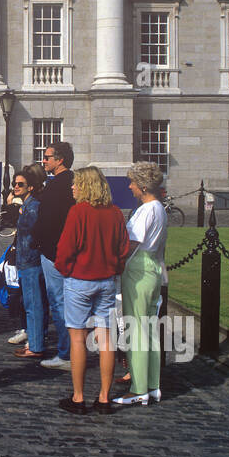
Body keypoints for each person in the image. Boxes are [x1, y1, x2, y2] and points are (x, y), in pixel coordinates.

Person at [55, 166, 133, 415]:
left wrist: (65, 269)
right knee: (106, 338)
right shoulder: (116, 213)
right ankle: (104, 397)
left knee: (78, 338)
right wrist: (115, 268)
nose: (72, 187)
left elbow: (66, 248)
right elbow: (123, 248)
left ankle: (78, 397)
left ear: (86, 186)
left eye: (76, 183)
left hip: (79, 279)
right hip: (106, 280)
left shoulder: (78, 211)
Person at [115, 162, 168, 407]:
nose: (130, 186)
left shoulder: (146, 210)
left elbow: (131, 244)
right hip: (153, 268)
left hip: (139, 269)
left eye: (133, 183)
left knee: (136, 329)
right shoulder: (159, 208)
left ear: (144, 186)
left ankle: (138, 388)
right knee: (149, 330)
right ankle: (152, 384)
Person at [31, 142, 75, 368]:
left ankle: (67, 354)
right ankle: (72, 350)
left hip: (54, 253)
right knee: (70, 303)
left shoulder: (56, 186)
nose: (44, 161)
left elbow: (47, 221)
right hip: (70, 251)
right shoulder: (74, 182)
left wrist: (37, 240)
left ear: (60, 160)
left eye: (47, 157)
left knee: (59, 303)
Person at [11, 164, 49, 359]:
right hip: (26, 260)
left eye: (20, 184)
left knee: (33, 304)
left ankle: (35, 345)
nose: (16, 187)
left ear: (30, 187)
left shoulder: (32, 206)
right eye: (14, 184)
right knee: (34, 303)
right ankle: (36, 340)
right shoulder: (27, 205)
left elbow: (33, 234)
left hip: (30, 261)